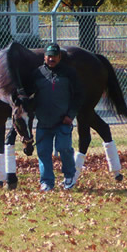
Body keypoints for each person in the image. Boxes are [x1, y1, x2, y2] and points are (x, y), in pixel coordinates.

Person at [32, 43, 84, 191]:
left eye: (54, 56)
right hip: (43, 122)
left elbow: (79, 95)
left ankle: (69, 176)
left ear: (59, 57)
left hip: (63, 121)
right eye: (49, 56)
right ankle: (47, 182)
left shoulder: (69, 73)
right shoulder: (37, 74)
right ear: (44, 57)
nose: (51, 59)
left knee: (64, 148)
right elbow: (29, 95)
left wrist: (70, 115)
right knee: (43, 152)